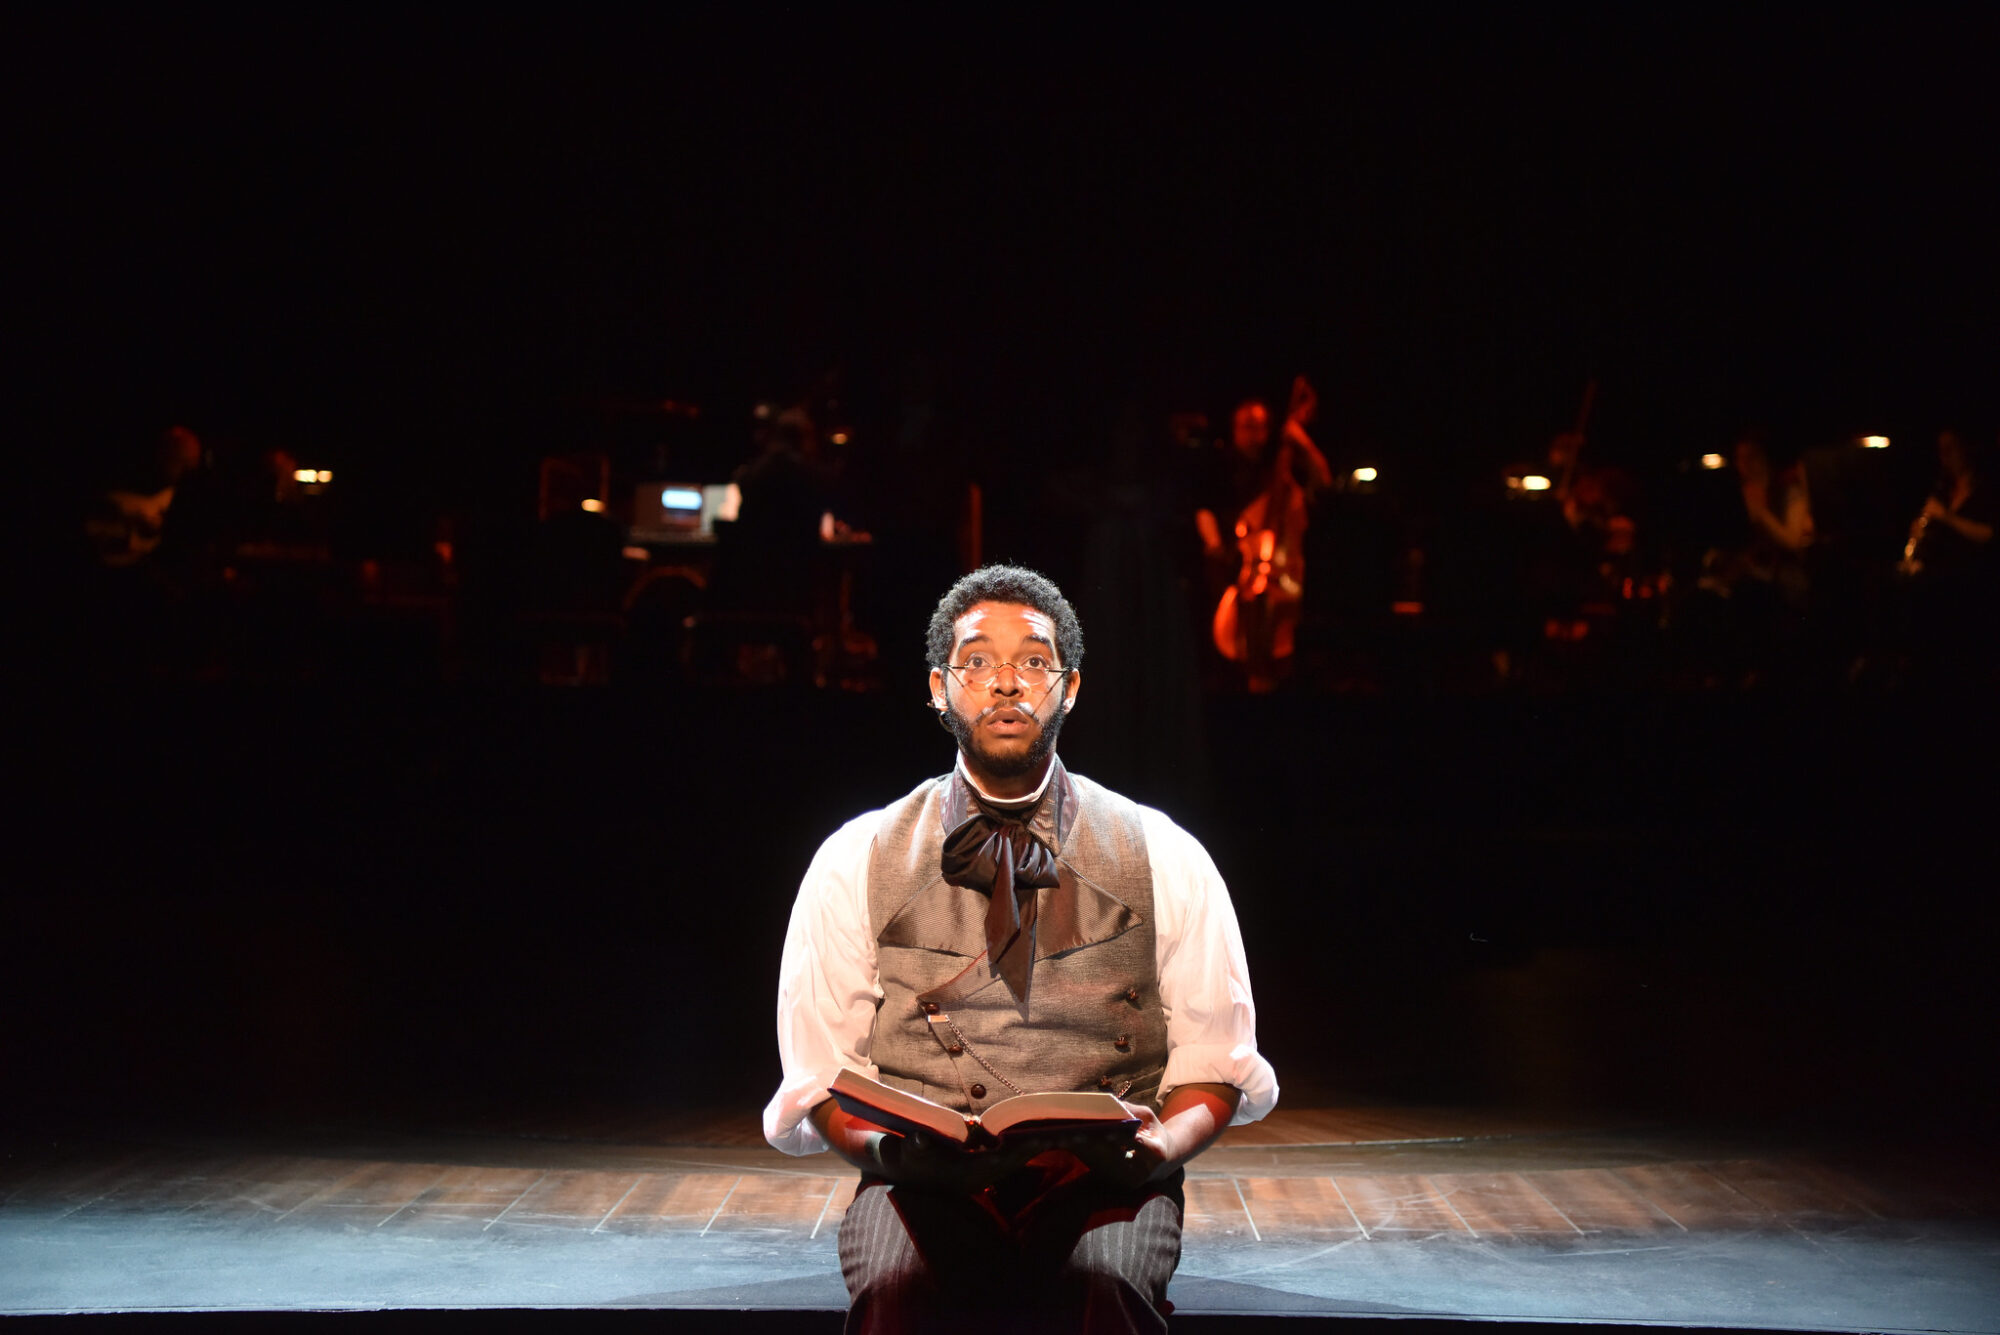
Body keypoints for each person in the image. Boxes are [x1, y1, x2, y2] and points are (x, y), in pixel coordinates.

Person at [764, 564, 1277, 1334]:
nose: (1007, 683)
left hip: (1108, 1184)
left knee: (1106, 1286)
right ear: (939, 687)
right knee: (898, 1289)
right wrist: (893, 1156)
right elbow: (820, 1077)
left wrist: (1159, 1147)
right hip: (920, 1184)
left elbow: (1219, 1061)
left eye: (1034, 661)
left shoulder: (1163, 852)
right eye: (977, 661)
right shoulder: (857, 857)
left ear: (1069, 687)